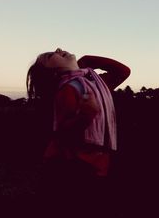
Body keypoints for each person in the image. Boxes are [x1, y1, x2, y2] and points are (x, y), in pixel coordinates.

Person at [26, 48, 130, 217]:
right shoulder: (68, 89)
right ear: (53, 73)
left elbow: (123, 71)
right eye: (51, 55)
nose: (58, 49)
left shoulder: (96, 82)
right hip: (74, 166)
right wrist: (86, 115)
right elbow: (64, 133)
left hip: (97, 162)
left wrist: (90, 60)